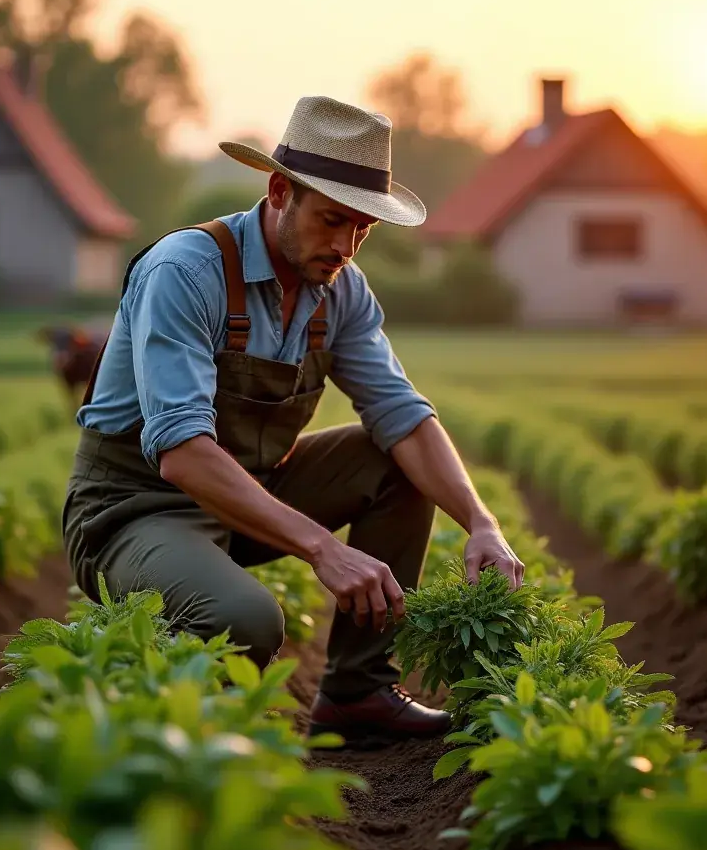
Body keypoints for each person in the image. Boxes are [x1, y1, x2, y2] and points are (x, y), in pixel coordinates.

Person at [63, 95, 524, 747]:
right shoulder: (185, 272)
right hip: (133, 509)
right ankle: (187, 747)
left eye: (363, 229)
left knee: (391, 461)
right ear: (279, 190)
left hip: (242, 496)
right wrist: (323, 548)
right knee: (246, 619)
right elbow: (183, 452)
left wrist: (483, 523)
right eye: (333, 221)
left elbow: (402, 414)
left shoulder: (340, 289)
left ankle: (357, 694)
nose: (345, 246)